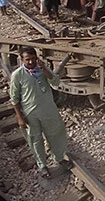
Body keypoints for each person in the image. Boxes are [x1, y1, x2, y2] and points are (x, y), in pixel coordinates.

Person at [9, 46, 71, 178]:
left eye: (33, 59)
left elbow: (55, 82)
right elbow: (14, 99)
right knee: (35, 139)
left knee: (56, 134)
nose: (31, 62)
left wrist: (44, 70)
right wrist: (19, 116)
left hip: (48, 109)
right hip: (30, 113)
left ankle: (59, 158)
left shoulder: (42, 69)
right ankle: (42, 165)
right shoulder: (17, 75)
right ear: (22, 60)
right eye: (27, 60)